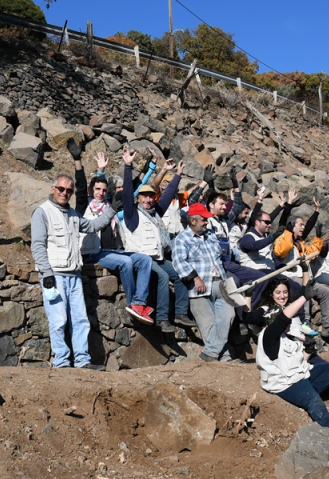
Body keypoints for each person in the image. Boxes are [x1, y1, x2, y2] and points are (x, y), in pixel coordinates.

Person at [253, 277, 329, 441]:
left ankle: (306, 396)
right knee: (312, 398)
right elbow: (281, 319)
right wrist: (304, 297)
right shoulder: (269, 335)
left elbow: (298, 362)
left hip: (297, 376)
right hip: (283, 383)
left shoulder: (288, 336)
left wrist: (308, 350)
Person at [30, 173, 123, 369]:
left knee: (81, 320)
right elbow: (37, 245)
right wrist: (46, 274)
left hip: (74, 274)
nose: (65, 193)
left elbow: (92, 225)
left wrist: (113, 209)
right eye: (61, 189)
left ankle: (82, 360)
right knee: (58, 321)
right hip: (54, 275)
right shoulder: (42, 212)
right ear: (53, 189)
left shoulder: (73, 214)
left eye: (69, 190)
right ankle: (61, 362)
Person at [72, 147, 155, 325]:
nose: (100, 193)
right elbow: (80, 187)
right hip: (92, 253)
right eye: (97, 189)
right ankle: (133, 303)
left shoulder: (110, 205)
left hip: (111, 251)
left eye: (103, 190)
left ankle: (140, 303)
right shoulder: (84, 207)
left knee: (144, 260)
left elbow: (132, 188)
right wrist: (78, 160)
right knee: (126, 263)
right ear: (91, 190)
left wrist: (145, 165)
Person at [120, 145, 191, 334]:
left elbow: (167, 197)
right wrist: (128, 167)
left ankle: (181, 312)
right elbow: (127, 193)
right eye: (144, 196)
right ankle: (161, 318)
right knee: (163, 276)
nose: (148, 200)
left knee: (180, 274)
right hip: (142, 257)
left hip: (157, 257)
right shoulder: (132, 214)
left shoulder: (155, 214)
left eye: (151, 196)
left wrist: (177, 175)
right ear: (139, 198)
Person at [172, 203, 235, 361]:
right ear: (193, 221)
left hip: (220, 282)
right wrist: (195, 277)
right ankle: (225, 359)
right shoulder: (182, 239)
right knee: (207, 325)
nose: (207, 222)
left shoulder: (211, 235)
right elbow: (179, 262)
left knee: (228, 316)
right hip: (198, 286)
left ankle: (210, 354)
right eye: (203, 220)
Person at [273, 210, 329, 338]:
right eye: (300, 224)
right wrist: (288, 233)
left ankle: (328, 326)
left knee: (324, 291)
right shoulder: (282, 238)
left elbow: (311, 254)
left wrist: (318, 239)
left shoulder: (300, 242)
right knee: (305, 288)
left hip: (303, 276)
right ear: (292, 226)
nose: (303, 227)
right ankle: (305, 322)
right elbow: (281, 251)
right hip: (289, 277)